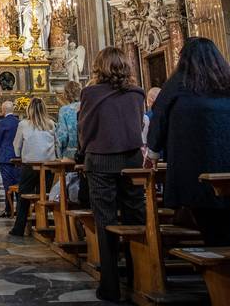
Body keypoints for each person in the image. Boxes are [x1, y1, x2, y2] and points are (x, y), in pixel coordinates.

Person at [145, 38, 230, 246]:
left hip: (197, 166)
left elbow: (159, 117)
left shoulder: (179, 82)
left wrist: (152, 153)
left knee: (213, 226)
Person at [78, 47, 146, 302]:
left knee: (105, 220)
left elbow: (85, 127)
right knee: (136, 217)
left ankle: (110, 285)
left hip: (100, 160)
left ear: (99, 67)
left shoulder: (90, 94)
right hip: (131, 160)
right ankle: (139, 274)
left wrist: (84, 150)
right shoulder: (137, 94)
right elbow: (139, 126)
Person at [8, 97, 58, 237]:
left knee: (24, 196)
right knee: (45, 194)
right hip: (48, 166)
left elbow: (16, 145)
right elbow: (56, 142)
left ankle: (19, 228)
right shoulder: (51, 123)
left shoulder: (24, 124)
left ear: (29, 109)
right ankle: (44, 223)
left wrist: (20, 155)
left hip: (30, 166)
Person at [0, 101, 20, 217]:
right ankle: (20, 209)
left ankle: (8, 210)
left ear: (3, 110)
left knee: (7, 185)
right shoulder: (19, 122)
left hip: (5, 156)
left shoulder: (2, 123)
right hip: (18, 157)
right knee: (18, 183)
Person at [56, 81, 82, 160]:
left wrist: (59, 155)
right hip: (87, 153)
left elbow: (62, 136)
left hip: (71, 154)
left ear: (66, 95)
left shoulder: (65, 110)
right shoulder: (87, 106)